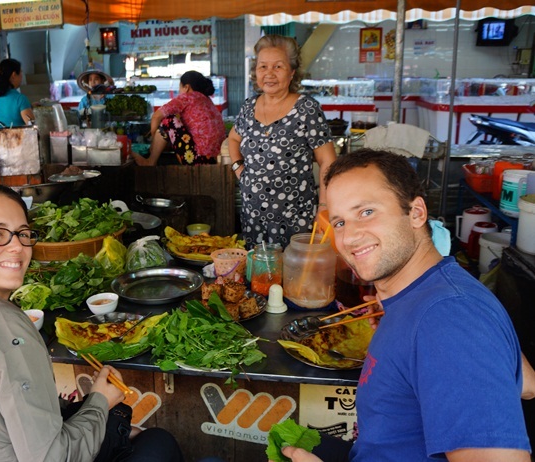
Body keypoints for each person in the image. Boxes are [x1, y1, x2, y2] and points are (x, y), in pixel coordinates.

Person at [275, 148, 530, 462]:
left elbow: (462, 340)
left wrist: (439, 335)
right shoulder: (428, 301)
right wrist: (411, 332)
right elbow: (526, 384)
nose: (350, 236)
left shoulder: (449, 320)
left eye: (367, 211)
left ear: (416, 213)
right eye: (339, 222)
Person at [0, 183, 184, 461]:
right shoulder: (1, 324)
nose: (17, 247)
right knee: (159, 443)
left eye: (23, 234)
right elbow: (51, 457)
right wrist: (100, 402)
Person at [228, 35, 337, 250]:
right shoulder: (249, 107)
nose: (269, 74)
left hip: (295, 217)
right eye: (263, 67)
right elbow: (233, 138)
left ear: (292, 71)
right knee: (259, 276)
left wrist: (323, 208)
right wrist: (238, 169)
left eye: (278, 66)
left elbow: (328, 161)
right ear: (256, 72)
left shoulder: (306, 109)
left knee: (294, 276)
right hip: (253, 216)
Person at [132, 70, 225, 166]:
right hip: (214, 160)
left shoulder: (188, 97)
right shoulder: (207, 101)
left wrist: (153, 141)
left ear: (186, 87)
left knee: (168, 121)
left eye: (179, 87)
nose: (179, 91)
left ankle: (150, 161)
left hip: (197, 159)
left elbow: (156, 116)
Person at [0, 58, 35, 128]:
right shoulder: (20, 99)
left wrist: (29, 106)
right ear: (14, 75)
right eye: (21, 72)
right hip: (18, 138)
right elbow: (32, 127)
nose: (22, 76)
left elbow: (10, 111)